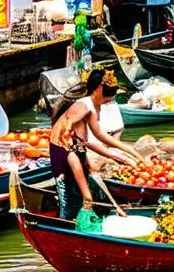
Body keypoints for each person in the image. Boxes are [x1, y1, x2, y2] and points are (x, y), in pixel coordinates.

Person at [49, 70, 135, 220]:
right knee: (70, 205)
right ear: (99, 90)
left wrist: (116, 156)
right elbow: (74, 157)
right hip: (65, 162)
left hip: (73, 156)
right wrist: (86, 194)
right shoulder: (83, 109)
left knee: (82, 195)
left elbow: (87, 143)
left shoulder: (89, 111)